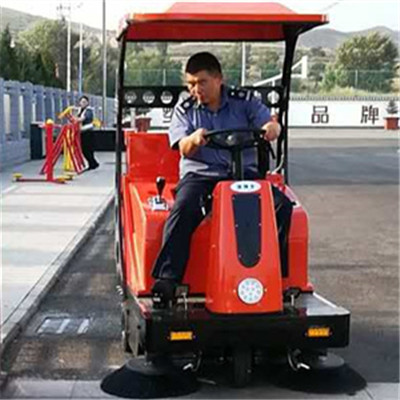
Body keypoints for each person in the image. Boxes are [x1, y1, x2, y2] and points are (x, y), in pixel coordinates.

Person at [152, 52, 292, 305]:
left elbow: (271, 125)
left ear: (219, 79)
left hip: (244, 174)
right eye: (191, 84)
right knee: (183, 208)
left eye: (201, 82)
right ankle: (168, 278)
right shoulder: (185, 109)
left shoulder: (244, 101)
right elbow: (182, 147)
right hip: (202, 175)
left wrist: (273, 128)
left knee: (282, 206)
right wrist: (194, 139)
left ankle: (275, 277)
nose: (196, 89)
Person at [77, 95, 99, 171]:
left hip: (88, 132)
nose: (83, 103)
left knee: (87, 149)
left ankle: (93, 163)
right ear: (79, 103)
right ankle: (93, 163)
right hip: (82, 132)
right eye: (82, 102)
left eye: (85, 102)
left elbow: (84, 118)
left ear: (87, 103)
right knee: (85, 149)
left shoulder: (88, 110)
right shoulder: (80, 110)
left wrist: (76, 119)